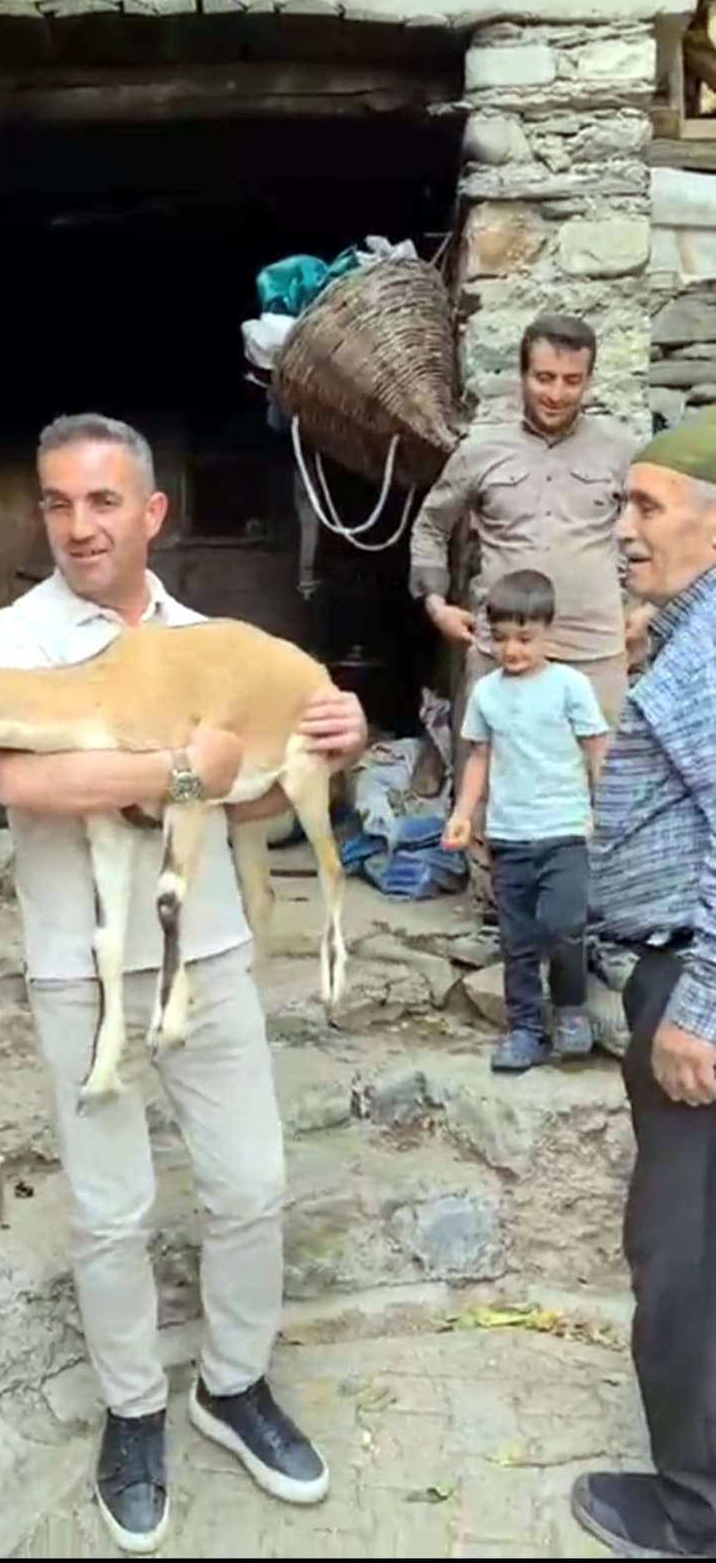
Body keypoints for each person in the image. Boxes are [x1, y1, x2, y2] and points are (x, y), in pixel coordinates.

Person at [0, 413, 367, 1556]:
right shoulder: (22, 633)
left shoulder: (208, 635)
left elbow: (239, 799)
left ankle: (232, 1384)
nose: (77, 526)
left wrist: (326, 748)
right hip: (83, 962)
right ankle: (135, 1406)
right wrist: (168, 767)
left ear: (151, 514)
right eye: (58, 503)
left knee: (250, 1180)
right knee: (110, 1207)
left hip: (203, 948)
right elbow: (20, 779)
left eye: (102, 503)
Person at [571, 407, 716, 1559]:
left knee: (680, 1255)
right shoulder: (694, 627)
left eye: (647, 507)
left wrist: (697, 1011)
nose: (625, 528)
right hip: (677, 969)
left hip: (696, 988)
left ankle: (692, 1512)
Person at [410, 313, 645, 909]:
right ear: (522, 374)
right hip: (503, 647)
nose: (557, 393)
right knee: (490, 774)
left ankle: (595, 917)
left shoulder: (620, 450)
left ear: (588, 380)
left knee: (604, 777)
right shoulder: (481, 450)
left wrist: (646, 608)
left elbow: (653, 532)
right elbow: (432, 526)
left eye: (572, 380)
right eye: (544, 377)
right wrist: (438, 603)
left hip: (595, 647)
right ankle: (500, 909)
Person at [442, 569, 608, 1072]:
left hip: (564, 832)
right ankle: (525, 1031)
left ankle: (572, 1008)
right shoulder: (487, 693)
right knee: (516, 942)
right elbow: (479, 758)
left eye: (525, 638)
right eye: (503, 638)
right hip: (509, 837)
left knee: (565, 925)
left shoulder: (569, 686)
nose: (513, 650)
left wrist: (611, 811)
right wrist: (463, 814)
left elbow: (597, 749)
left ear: (549, 633)